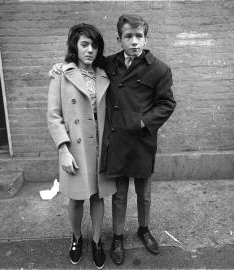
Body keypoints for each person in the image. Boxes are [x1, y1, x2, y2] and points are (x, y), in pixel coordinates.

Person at [50, 14, 176, 266]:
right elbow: (78, 73)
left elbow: (167, 103)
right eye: (128, 36)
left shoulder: (159, 68)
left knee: (144, 192)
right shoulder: (110, 64)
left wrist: (144, 122)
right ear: (119, 39)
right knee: (118, 194)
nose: (134, 42)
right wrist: (60, 67)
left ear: (146, 38)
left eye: (139, 36)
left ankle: (144, 229)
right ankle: (116, 237)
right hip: (114, 142)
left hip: (141, 141)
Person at [47, 23, 116, 269]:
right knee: (76, 198)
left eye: (94, 45)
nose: (90, 50)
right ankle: (77, 238)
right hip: (74, 147)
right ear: (74, 46)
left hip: (101, 145)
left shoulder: (104, 73)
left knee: (98, 197)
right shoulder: (61, 74)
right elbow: (54, 116)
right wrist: (63, 150)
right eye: (84, 44)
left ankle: (96, 241)